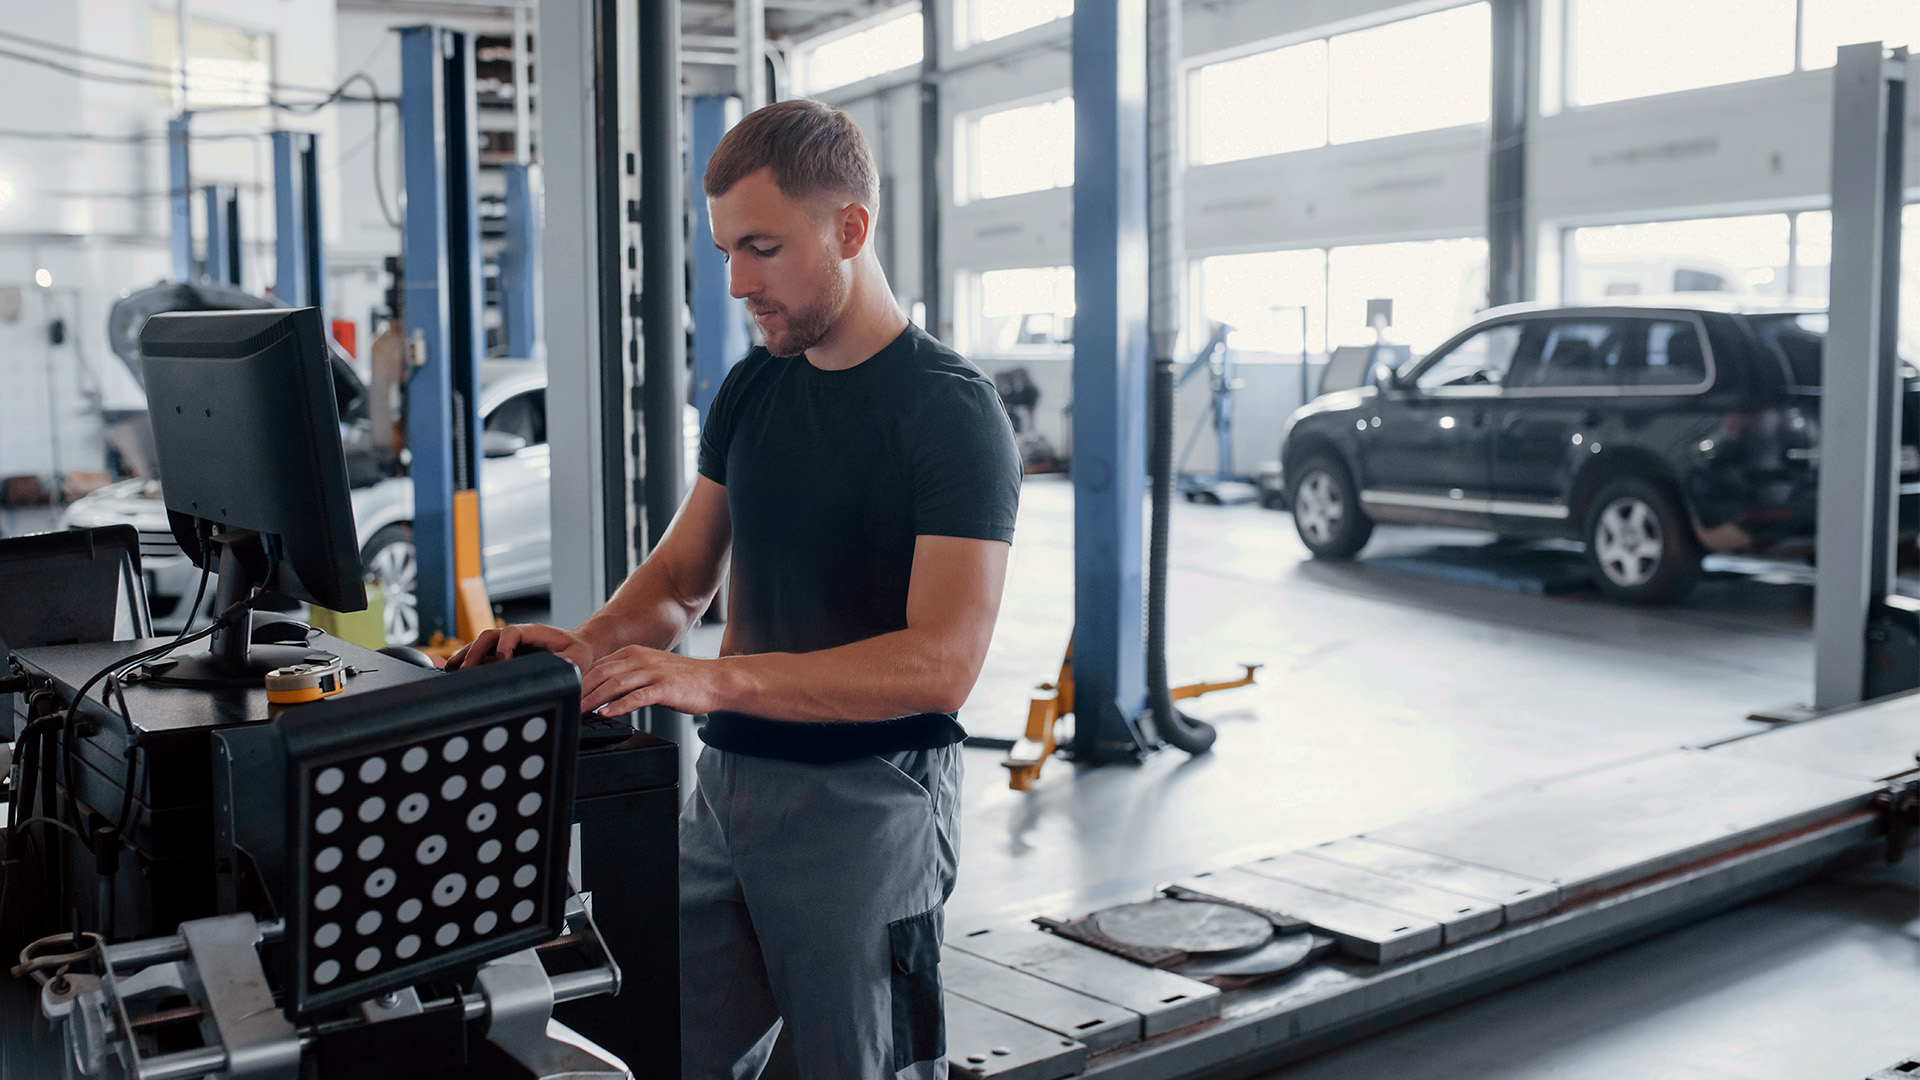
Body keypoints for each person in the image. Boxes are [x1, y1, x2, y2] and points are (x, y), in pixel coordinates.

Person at [447, 98, 1023, 1078]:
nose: (736, 283)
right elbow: (679, 579)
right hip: (729, 797)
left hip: (869, 807)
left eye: (761, 247)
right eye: (722, 252)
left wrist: (708, 680)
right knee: (661, 1048)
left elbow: (941, 666)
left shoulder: (949, 413)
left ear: (850, 227)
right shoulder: (755, 389)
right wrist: (589, 647)